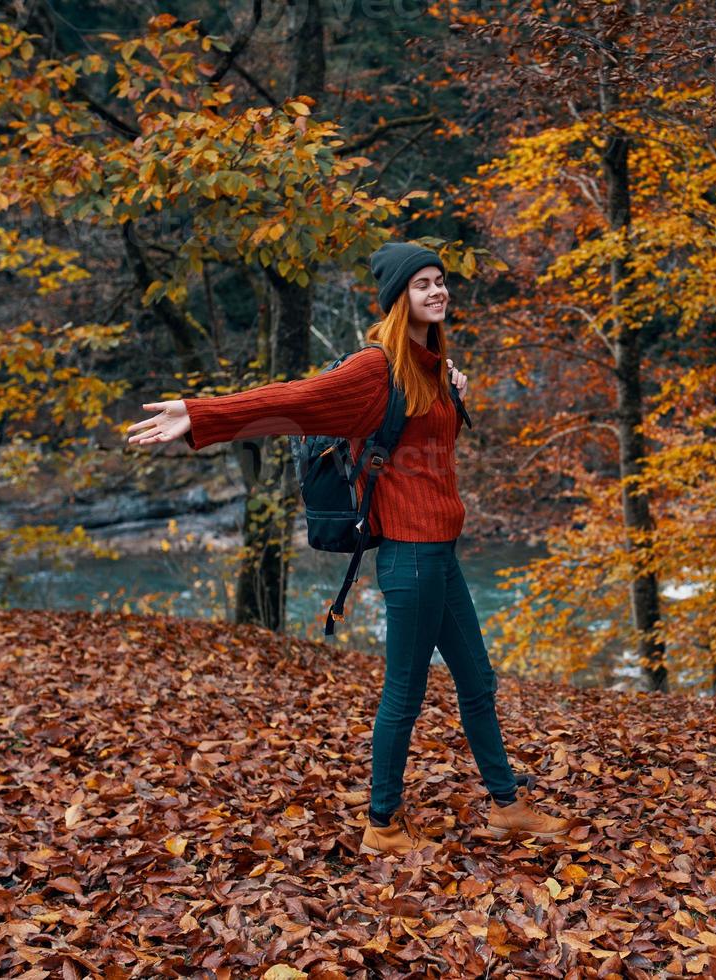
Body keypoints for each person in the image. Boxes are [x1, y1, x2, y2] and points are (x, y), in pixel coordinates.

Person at [126, 241, 579, 857]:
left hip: (441, 551)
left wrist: (452, 383)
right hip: (410, 557)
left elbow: (428, 438)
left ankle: (506, 808)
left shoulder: (432, 365)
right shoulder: (374, 371)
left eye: (440, 281)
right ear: (399, 298)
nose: (437, 291)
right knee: (405, 691)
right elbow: (294, 399)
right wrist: (201, 414)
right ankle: (383, 824)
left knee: (478, 682)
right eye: (421, 284)